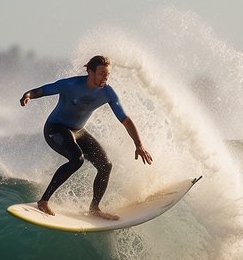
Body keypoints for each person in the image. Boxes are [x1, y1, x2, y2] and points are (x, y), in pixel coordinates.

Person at [20, 55, 152, 219]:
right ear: (90, 71)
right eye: (102, 73)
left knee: (106, 165)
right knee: (77, 159)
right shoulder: (70, 85)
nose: (105, 77)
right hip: (55, 128)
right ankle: (44, 201)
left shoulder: (108, 93)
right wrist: (28, 95)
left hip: (78, 130)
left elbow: (125, 119)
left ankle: (94, 208)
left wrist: (139, 144)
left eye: (108, 74)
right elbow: (42, 90)